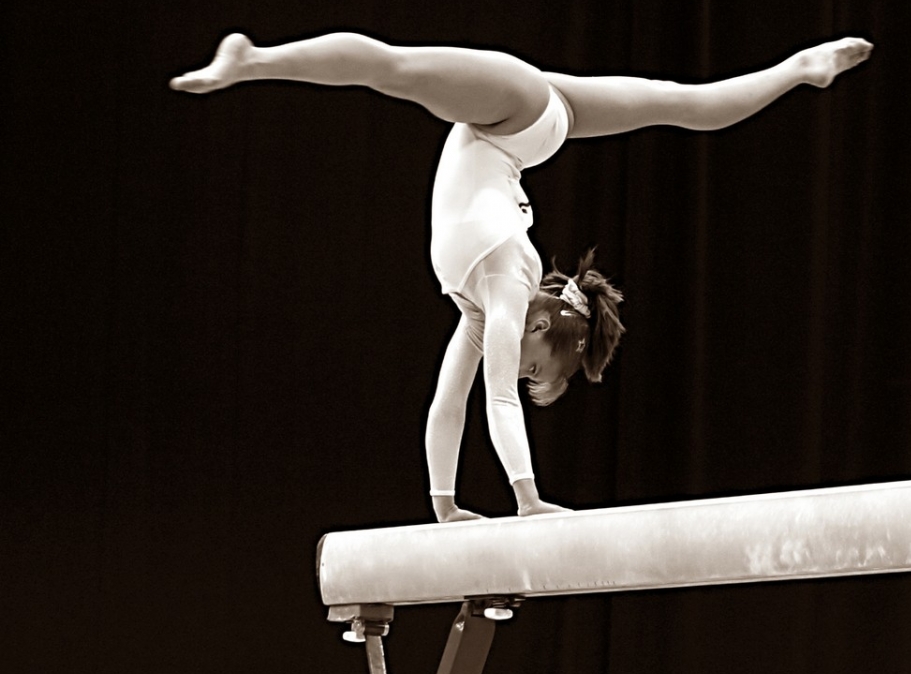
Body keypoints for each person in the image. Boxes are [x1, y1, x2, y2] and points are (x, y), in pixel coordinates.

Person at [170, 31, 873, 522]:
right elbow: (499, 397)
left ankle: (799, 67)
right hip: (513, 116)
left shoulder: (477, 306)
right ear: (541, 322)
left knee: (682, 104)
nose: (520, 367)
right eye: (540, 363)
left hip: (528, 124)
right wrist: (527, 498)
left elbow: (449, 403)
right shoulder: (509, 283)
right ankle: (254, 60)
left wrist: (445, 505)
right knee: (395, 68)